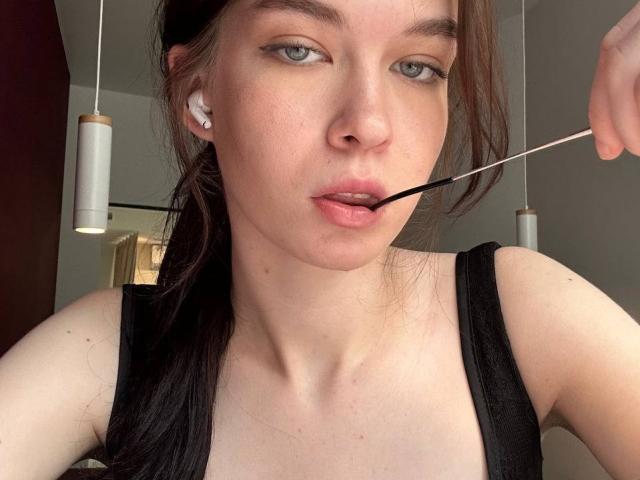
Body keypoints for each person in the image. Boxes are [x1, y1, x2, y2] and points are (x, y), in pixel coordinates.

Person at [1, 0, 639, 479]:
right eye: (299, 50)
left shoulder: (525, 310)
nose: (369, 124)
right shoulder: (103, 350)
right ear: (198, 94)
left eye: (416, 66)